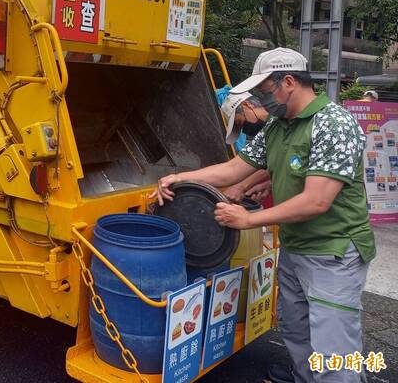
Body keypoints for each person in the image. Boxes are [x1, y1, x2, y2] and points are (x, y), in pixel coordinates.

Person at [153, 47, 375, 383]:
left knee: (335, 353)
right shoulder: (278, 126)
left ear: (288, 82)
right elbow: (233, 169)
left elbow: (317, 201)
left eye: (263, 90)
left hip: (334, 253)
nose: (261, 98)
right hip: (296, 248)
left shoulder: (333, 124)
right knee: (297, 333)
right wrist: (180, 178)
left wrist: (248, 219)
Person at [219, 92, 273, 205]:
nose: (244, 130)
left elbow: (274, 162)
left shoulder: (279, 124)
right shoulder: (265, 134)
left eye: (240, 122)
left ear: (247, 105)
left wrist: (241, 187)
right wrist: (267, 185)